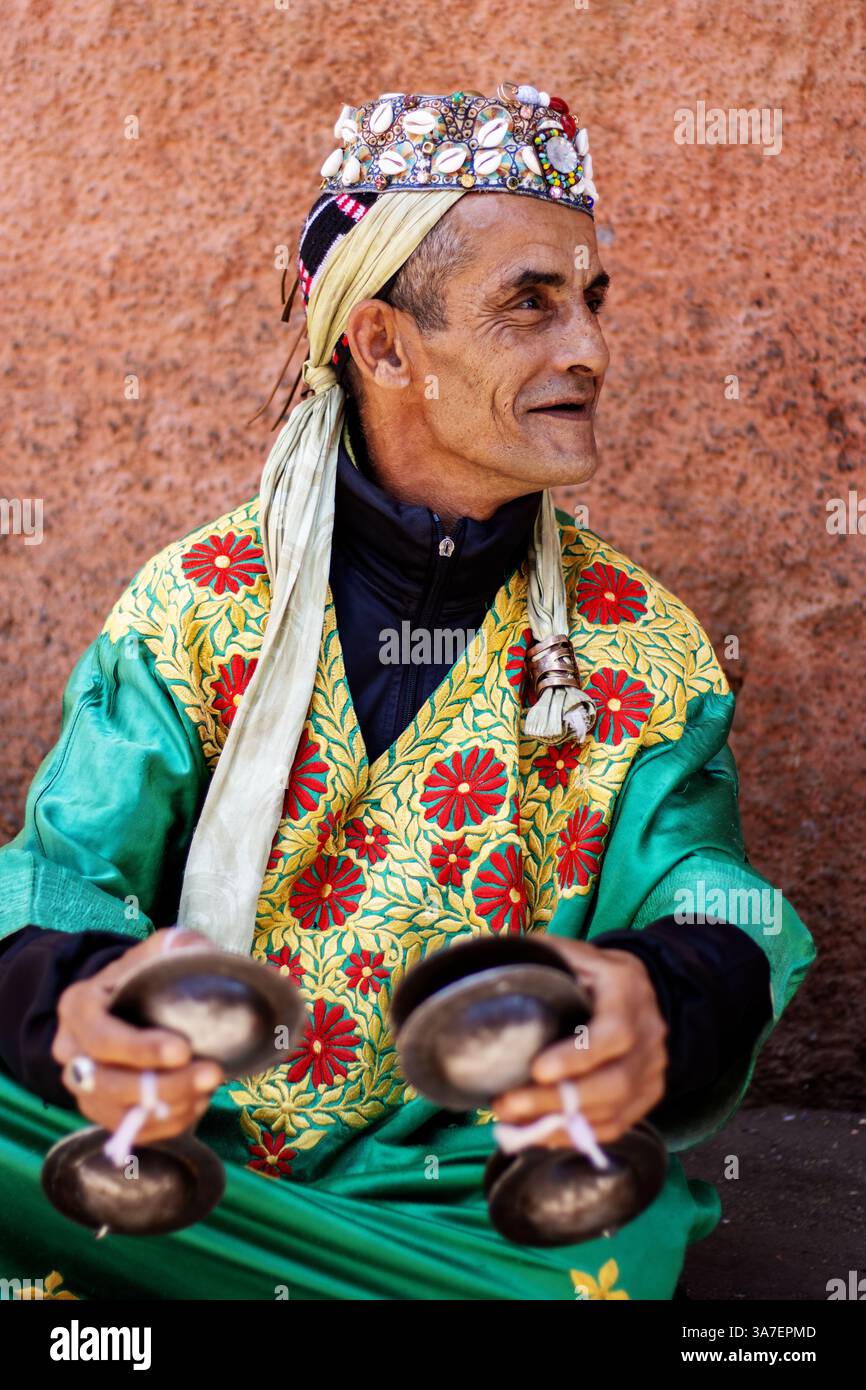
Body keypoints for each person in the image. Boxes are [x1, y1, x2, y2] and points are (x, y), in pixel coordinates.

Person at [0, 80, 814, 1301]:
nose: (588, 351)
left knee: (606, 1244)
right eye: (528, 304)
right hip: (187, 1144)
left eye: (589, 300)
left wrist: (661, 998)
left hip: (460, 1181)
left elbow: (703, 893)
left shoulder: (642, 647)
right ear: (383, 346)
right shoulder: (195, 604)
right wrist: (81, 1012)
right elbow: (61, 872)